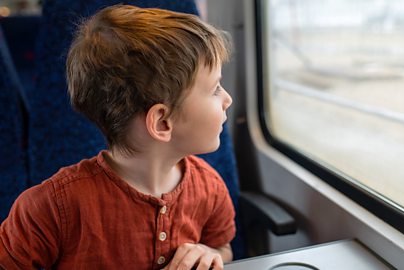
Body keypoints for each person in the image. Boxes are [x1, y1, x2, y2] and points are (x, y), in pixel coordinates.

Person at [0, 4, 235, 270]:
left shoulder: (210, 188)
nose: (228, 99)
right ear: (162, 122)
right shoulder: (52, 207)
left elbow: (223, 248)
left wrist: (207, 252)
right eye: (215, 89)